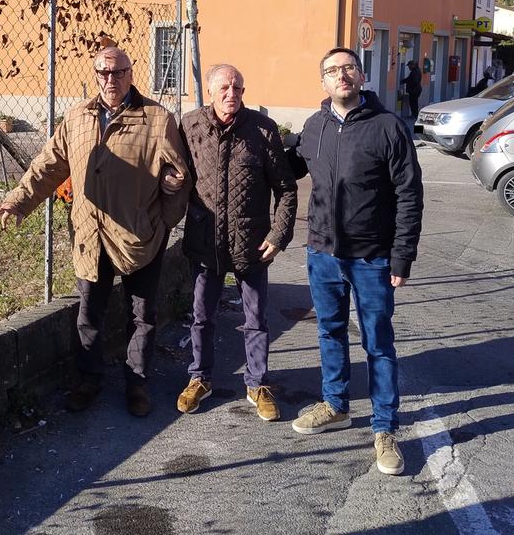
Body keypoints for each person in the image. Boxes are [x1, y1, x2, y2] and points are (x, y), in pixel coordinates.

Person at [0, 46, 192, 418]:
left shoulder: (157, 119)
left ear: (131, 74)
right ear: (95, 74)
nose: (110, 80)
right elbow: (48, 165)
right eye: (102, 72)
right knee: (88, 315)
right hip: (90, 236)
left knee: (143, 315)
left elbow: (180, 178)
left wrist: (163, 222)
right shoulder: (77, 117)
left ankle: (137, 384)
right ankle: (89, 381)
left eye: (117, 72)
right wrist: (17, 201)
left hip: (139, 236)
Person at [289, 47, 423, 476]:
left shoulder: (388, 127)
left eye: (348, 67)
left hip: (373, 258)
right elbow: (287, 166)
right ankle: (336, 404)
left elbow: (409, 195)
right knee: (329, 332)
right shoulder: (314, 127)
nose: (341, 75)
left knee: (378, 342)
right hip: (322, 253)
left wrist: (402, 256)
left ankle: (384, 428)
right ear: (323, 83)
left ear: (361, 75)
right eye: (331, 70)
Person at [174, 64, 298, 422]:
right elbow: (176, 169)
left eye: (238, 88)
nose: (232, 94)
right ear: (211, 91)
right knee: (201, 316)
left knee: (256, 317)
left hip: (252, 242)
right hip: (205, 239)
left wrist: (279, 235)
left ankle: (257, 383)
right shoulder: (190, 125)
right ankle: (199, 378)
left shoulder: (262, 129)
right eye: (225, 88)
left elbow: (286, 189)